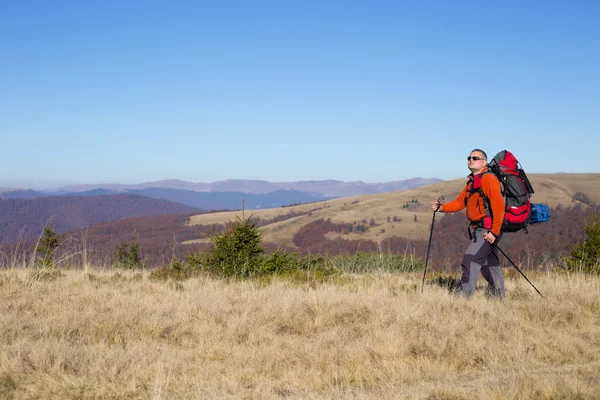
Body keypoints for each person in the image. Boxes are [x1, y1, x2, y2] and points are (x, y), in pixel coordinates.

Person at [431, 149, 506, 298]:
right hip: (479, 229)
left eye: (475, 158)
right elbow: (460, 202)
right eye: (469, 157)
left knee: (470, 259)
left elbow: (498, 207)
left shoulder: (488, 179)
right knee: (489, 265)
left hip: (487, 229)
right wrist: (442, 207)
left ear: (484, 162)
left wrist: (494, 232)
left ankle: (464, 300)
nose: (471, 160)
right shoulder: (473, 181)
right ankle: (499, 299)